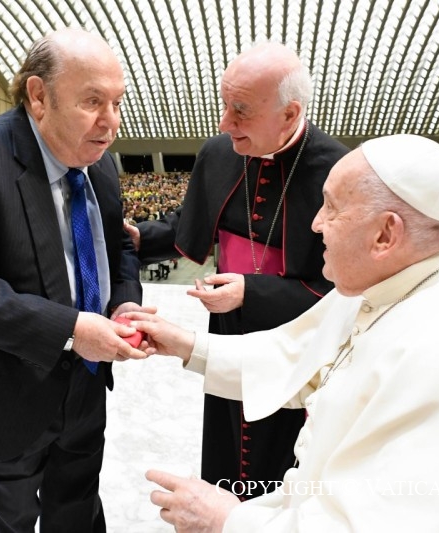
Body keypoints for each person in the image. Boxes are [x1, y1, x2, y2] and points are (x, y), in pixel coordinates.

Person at [127, 134, 439, 531]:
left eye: (332, 208)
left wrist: (228, 520)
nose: (316, 224)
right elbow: (297, 355)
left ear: (386, 234)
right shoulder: (397, 280)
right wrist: (187, 346)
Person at [0, 28, 148, 532]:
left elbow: (119, 245)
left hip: (84, 389)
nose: (111, 123)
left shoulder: (100, 166)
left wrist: (124, 302)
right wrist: (73, 330)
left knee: (78, 514)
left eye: (116, 102)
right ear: (38, 96)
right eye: (92, 102)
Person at [127, 42, 349, 498]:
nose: (224, 122)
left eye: (241, 110)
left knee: (280, 459)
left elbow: (346, 290)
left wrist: (253, 292)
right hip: (226, 324)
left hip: (299, 334)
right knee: (228, 443)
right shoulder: (220, 152)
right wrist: (139, 239)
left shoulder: (338, 170)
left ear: (289, 115)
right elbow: (190, 223)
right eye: (224, 104)